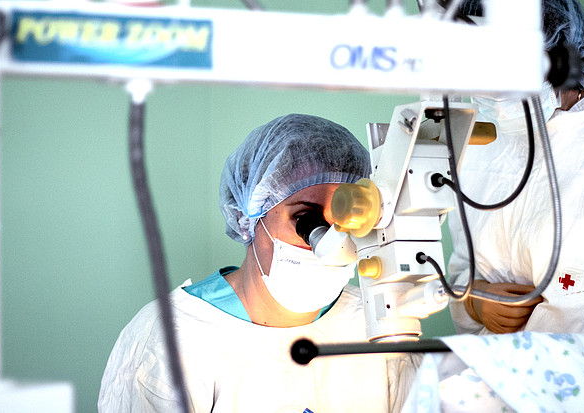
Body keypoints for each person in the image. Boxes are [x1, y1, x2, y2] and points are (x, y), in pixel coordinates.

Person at [98, 114, 420, 412]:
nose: (330, 245)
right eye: (306, 221)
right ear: (248, 217)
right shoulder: (169, 339)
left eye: (344, 221)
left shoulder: (380, 326)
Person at [448, 0, 584, 335]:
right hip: (496, 359)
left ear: (564, 62)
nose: (495, 94)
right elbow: (462, 269)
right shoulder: (479, 141)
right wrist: (475, 300)